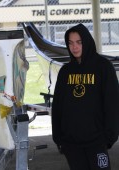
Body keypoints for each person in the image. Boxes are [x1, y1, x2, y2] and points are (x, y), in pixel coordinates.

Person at [52, 23, 119, 170]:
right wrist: (58, 138)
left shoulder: (103, 67)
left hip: (97, 141)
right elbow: (57, 106)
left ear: (87, 41)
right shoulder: (66, 72)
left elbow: (112, 103)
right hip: (71, 143)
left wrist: (109, 136)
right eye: (70, 43)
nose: (74, 47)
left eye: (79, 42)